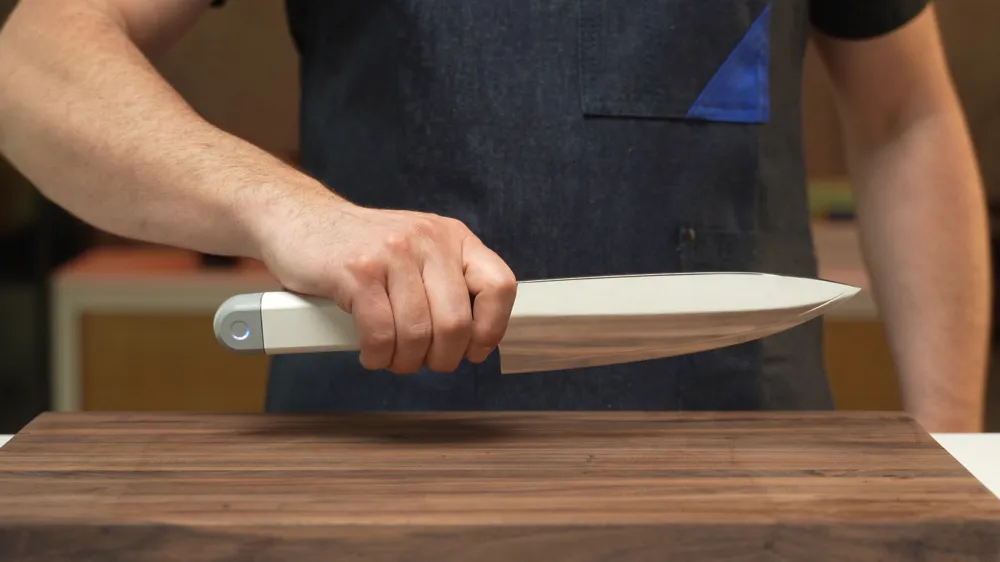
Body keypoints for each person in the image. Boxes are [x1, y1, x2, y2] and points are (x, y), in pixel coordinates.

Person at [0, 0, 989, 431]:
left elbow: (906, 118)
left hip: (748, 471)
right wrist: (284, 209)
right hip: (375, 478)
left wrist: (950, 452)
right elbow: (31, 66)